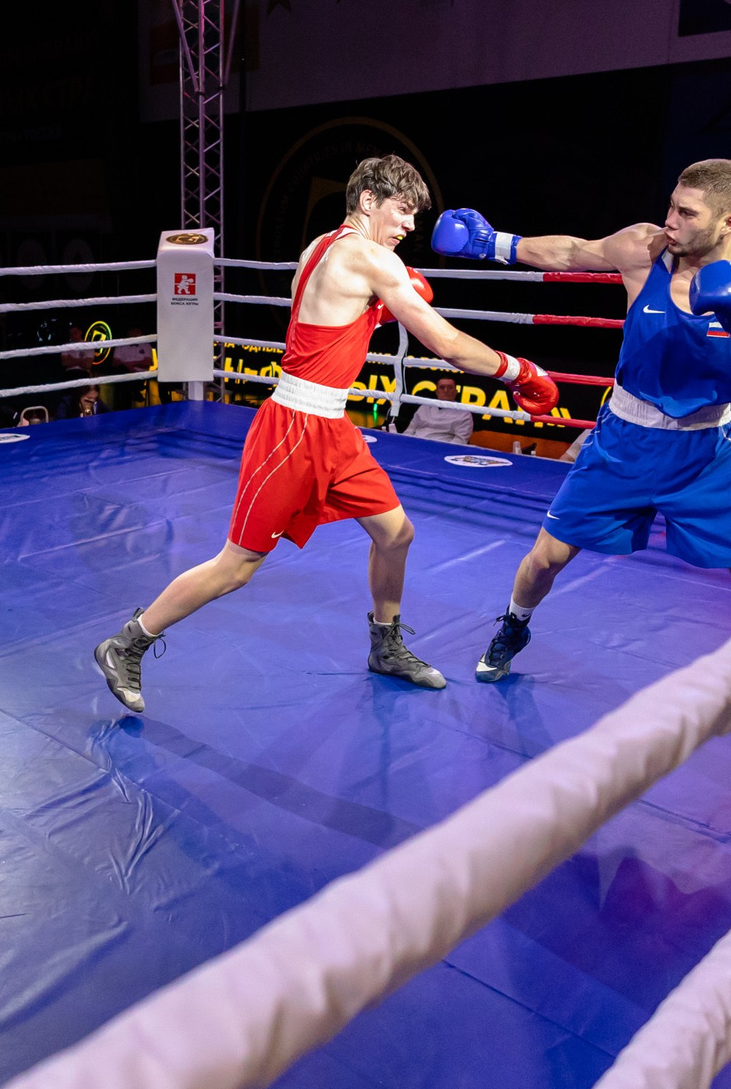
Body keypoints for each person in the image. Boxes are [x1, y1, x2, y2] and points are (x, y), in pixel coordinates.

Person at [433, 157, 731, 818]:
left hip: (710, 451)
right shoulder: (645, 247)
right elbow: (572, 252)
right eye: (672, 205)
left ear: (730, 221)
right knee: (544, 559)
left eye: (687, 213)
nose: (671, 220)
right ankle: (513, 628)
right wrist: (496, 244)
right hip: (624, 441)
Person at [93, 156, 558, 713]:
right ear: (368, 201)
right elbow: (448, 344)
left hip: (334, 428)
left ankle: (385, 646)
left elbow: (321, 323)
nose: (410, 225)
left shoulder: (320, 247)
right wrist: (519, 371)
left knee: (396, 534)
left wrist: (372, 313)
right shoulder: (372, 258)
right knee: (237, 566)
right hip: (291, 430)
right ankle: (127, 642)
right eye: (403, 210)